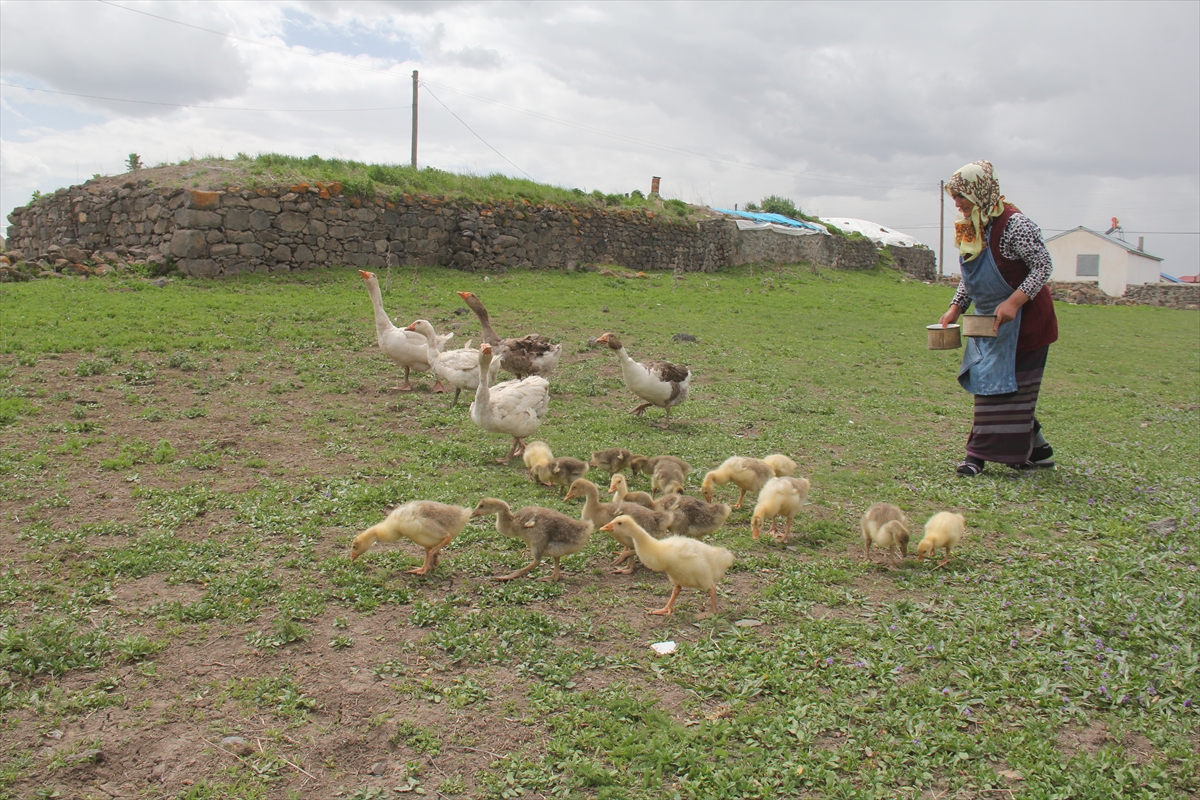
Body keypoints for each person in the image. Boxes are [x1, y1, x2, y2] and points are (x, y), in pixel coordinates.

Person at [939, 160, 1058, 476]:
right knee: (987, 382)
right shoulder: (968, 225)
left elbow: (1042, 266)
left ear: (979, 192)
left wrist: (1015, 302)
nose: (957, 203)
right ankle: (1039, 451)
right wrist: (956, 308)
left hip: (1025, 323)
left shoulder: (1016, 224)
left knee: (1012, 392)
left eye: (961, 195)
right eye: (955, 196)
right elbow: (972, 273)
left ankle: (975, 458)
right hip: (988, 322)